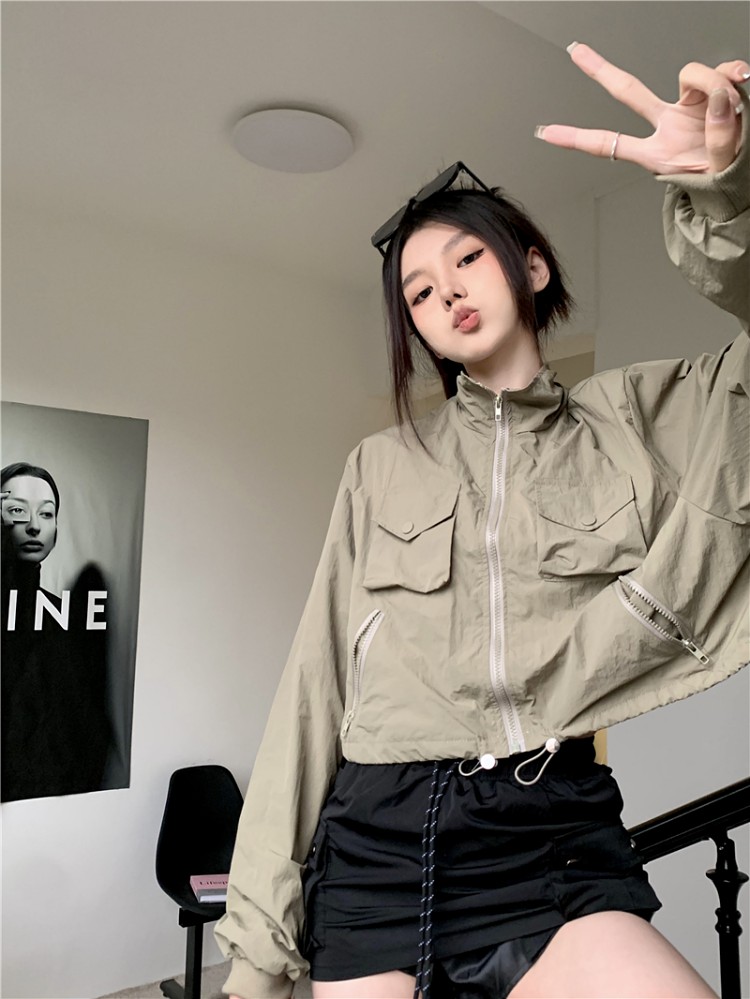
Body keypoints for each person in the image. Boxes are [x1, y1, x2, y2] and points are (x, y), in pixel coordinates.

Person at [216, 45, 749, 999]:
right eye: (419, 291)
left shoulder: (638, 418)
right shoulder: (381, 465)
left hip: (550, 837)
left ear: (531, 265)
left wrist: (727, 195)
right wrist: (257, 949)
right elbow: (314, 686)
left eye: (466, 258)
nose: (448, 291)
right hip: (377, 844)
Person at [1, 462, 113, 801]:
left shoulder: (63, 617)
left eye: (46, 513)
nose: (34, 526)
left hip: (54, 799)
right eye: (17, 511)